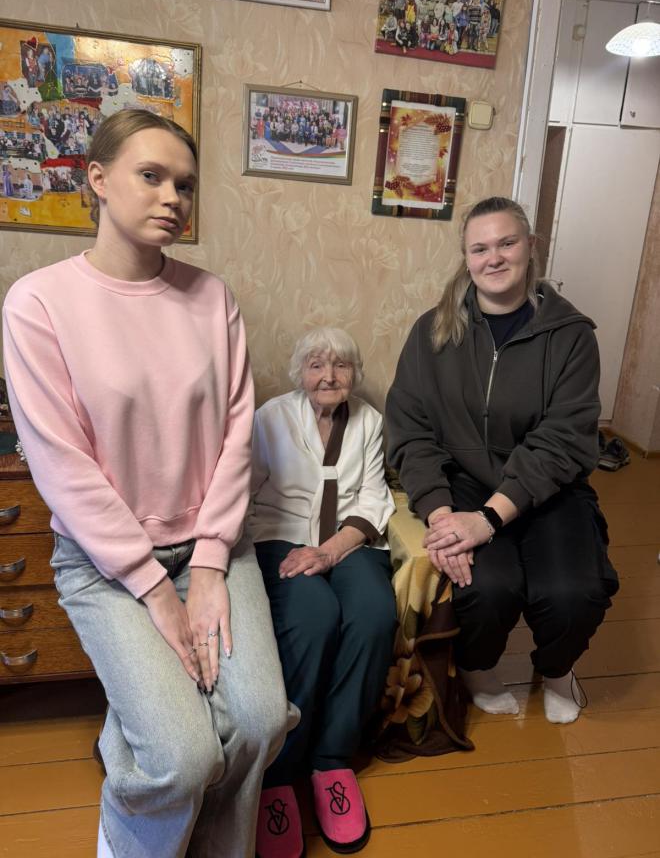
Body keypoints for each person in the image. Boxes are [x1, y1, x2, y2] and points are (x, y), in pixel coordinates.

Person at [2, 108, 294, 858]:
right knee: (183, 756)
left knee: (261, 721)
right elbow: (62, 464)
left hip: (214, 547)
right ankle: (129, 838)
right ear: (98, 180)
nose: (173, 198)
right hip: (107, 564)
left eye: (185, 185)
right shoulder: (38, 303)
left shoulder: (213, 298)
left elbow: (237, 434)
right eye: (152, 176)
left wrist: (208, 566)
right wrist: (157, 591)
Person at [386, 196, 618, 728]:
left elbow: (563, 440)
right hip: (464, 483)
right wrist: (442, 516)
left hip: (548, 487)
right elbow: (411, 432)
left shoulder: (571, 335)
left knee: (574, 593)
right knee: (487, 587)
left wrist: (489, 519)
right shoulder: (431, 331)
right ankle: (479, 668)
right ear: (466, 257)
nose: (494, 258)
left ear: (530, 246)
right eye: (480, 248)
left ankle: (556, 669)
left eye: (507, 243)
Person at [249, 328, 397, 858]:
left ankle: (331, 761)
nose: (329, 376)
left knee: (375, 614)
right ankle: (279, 772)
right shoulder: (271, 418)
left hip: (349, 541)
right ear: (300, 373)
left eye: (340, 366)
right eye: (316, 365)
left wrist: (331, 551)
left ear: (354, 373)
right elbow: (242, 491)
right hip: (282, 537)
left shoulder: (369, 422)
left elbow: (374, 496)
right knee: (313, 616)